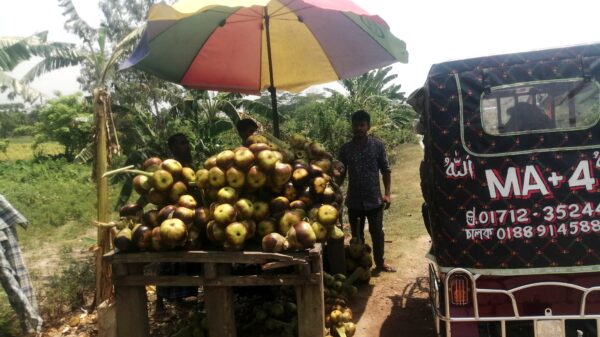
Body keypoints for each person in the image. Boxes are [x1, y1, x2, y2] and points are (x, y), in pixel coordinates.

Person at [338, 110, 396, 273]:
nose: (358, 128)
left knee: (377, 233)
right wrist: (335, 191)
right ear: (352, 127)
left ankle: (380, 263)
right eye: (356, 125)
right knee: (357, 237)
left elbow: (385, 171)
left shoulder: (377, 145)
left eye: (362, 125)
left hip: (374, 200)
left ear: (368, 126)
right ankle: (361, 266)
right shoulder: (345, 149)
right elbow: (341, 173)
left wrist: (387, 194)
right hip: (354, 200)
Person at [155, 133, 199, 316]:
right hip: (170, 218)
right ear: (172, 148)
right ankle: (160, 301)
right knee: (167, 260)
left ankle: (181, 298)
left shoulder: (188, 167)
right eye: (182, 144)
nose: (187, 146)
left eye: (187, 142)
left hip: (186, 217)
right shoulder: (167, 169)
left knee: (185, 258)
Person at [0, 194, 43, 335]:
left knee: (18, 277)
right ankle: (31, 322)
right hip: (4, 225)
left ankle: (31, 324)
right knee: (11, 279)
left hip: (3, 225)